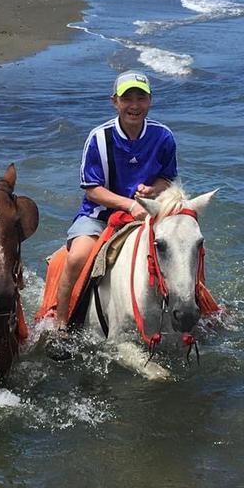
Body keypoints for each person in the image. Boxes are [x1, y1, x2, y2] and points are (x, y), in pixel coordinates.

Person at [51, 70, 177, 322]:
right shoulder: (99, 137)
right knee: (77, 257)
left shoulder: (163, 136)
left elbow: (167, 178)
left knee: (183, 246)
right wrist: (130, 205)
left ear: (150, 100)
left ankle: (197, 309)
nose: (134, 106)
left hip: (146, 212)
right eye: (126, 98)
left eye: (140, 98)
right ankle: (61, 324)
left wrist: (153, 191)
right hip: (100, 215)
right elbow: (92, 189)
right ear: (114, 101)